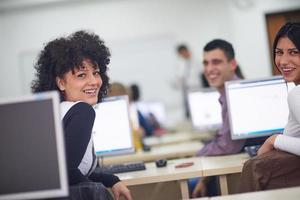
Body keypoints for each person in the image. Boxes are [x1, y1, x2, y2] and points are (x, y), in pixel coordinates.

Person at [31, 31, 132, 200]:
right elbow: (67, 174)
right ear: (61, 83)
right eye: (81, 75)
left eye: (96, 72)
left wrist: (112, 180)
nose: (93, 81)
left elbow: (73, 172)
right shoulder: (81, 111)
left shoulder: (56, 111)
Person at [239, 22, 300, 192]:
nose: (283, 61)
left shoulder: (297, 94)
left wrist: (274, 140)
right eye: (279, 53)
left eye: (294, 52)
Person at [191, 39, 246, 197]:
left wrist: (198, 155)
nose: (209, 69)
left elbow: (227, 146)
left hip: (240, 174)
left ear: (232, 64)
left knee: (187, 183)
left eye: (216, 62)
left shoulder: (236, 94)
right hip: (238, 167)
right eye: (206, 63)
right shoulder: (229, 92)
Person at [175, 44, 202, 119]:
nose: (183, 54)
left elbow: (201, 73)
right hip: (186, 89)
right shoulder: (180, 64)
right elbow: (179, 77)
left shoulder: (196, 61)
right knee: (189, 110)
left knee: (198, 108)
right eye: (181, 53)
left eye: (184, 52)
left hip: (197, 88)